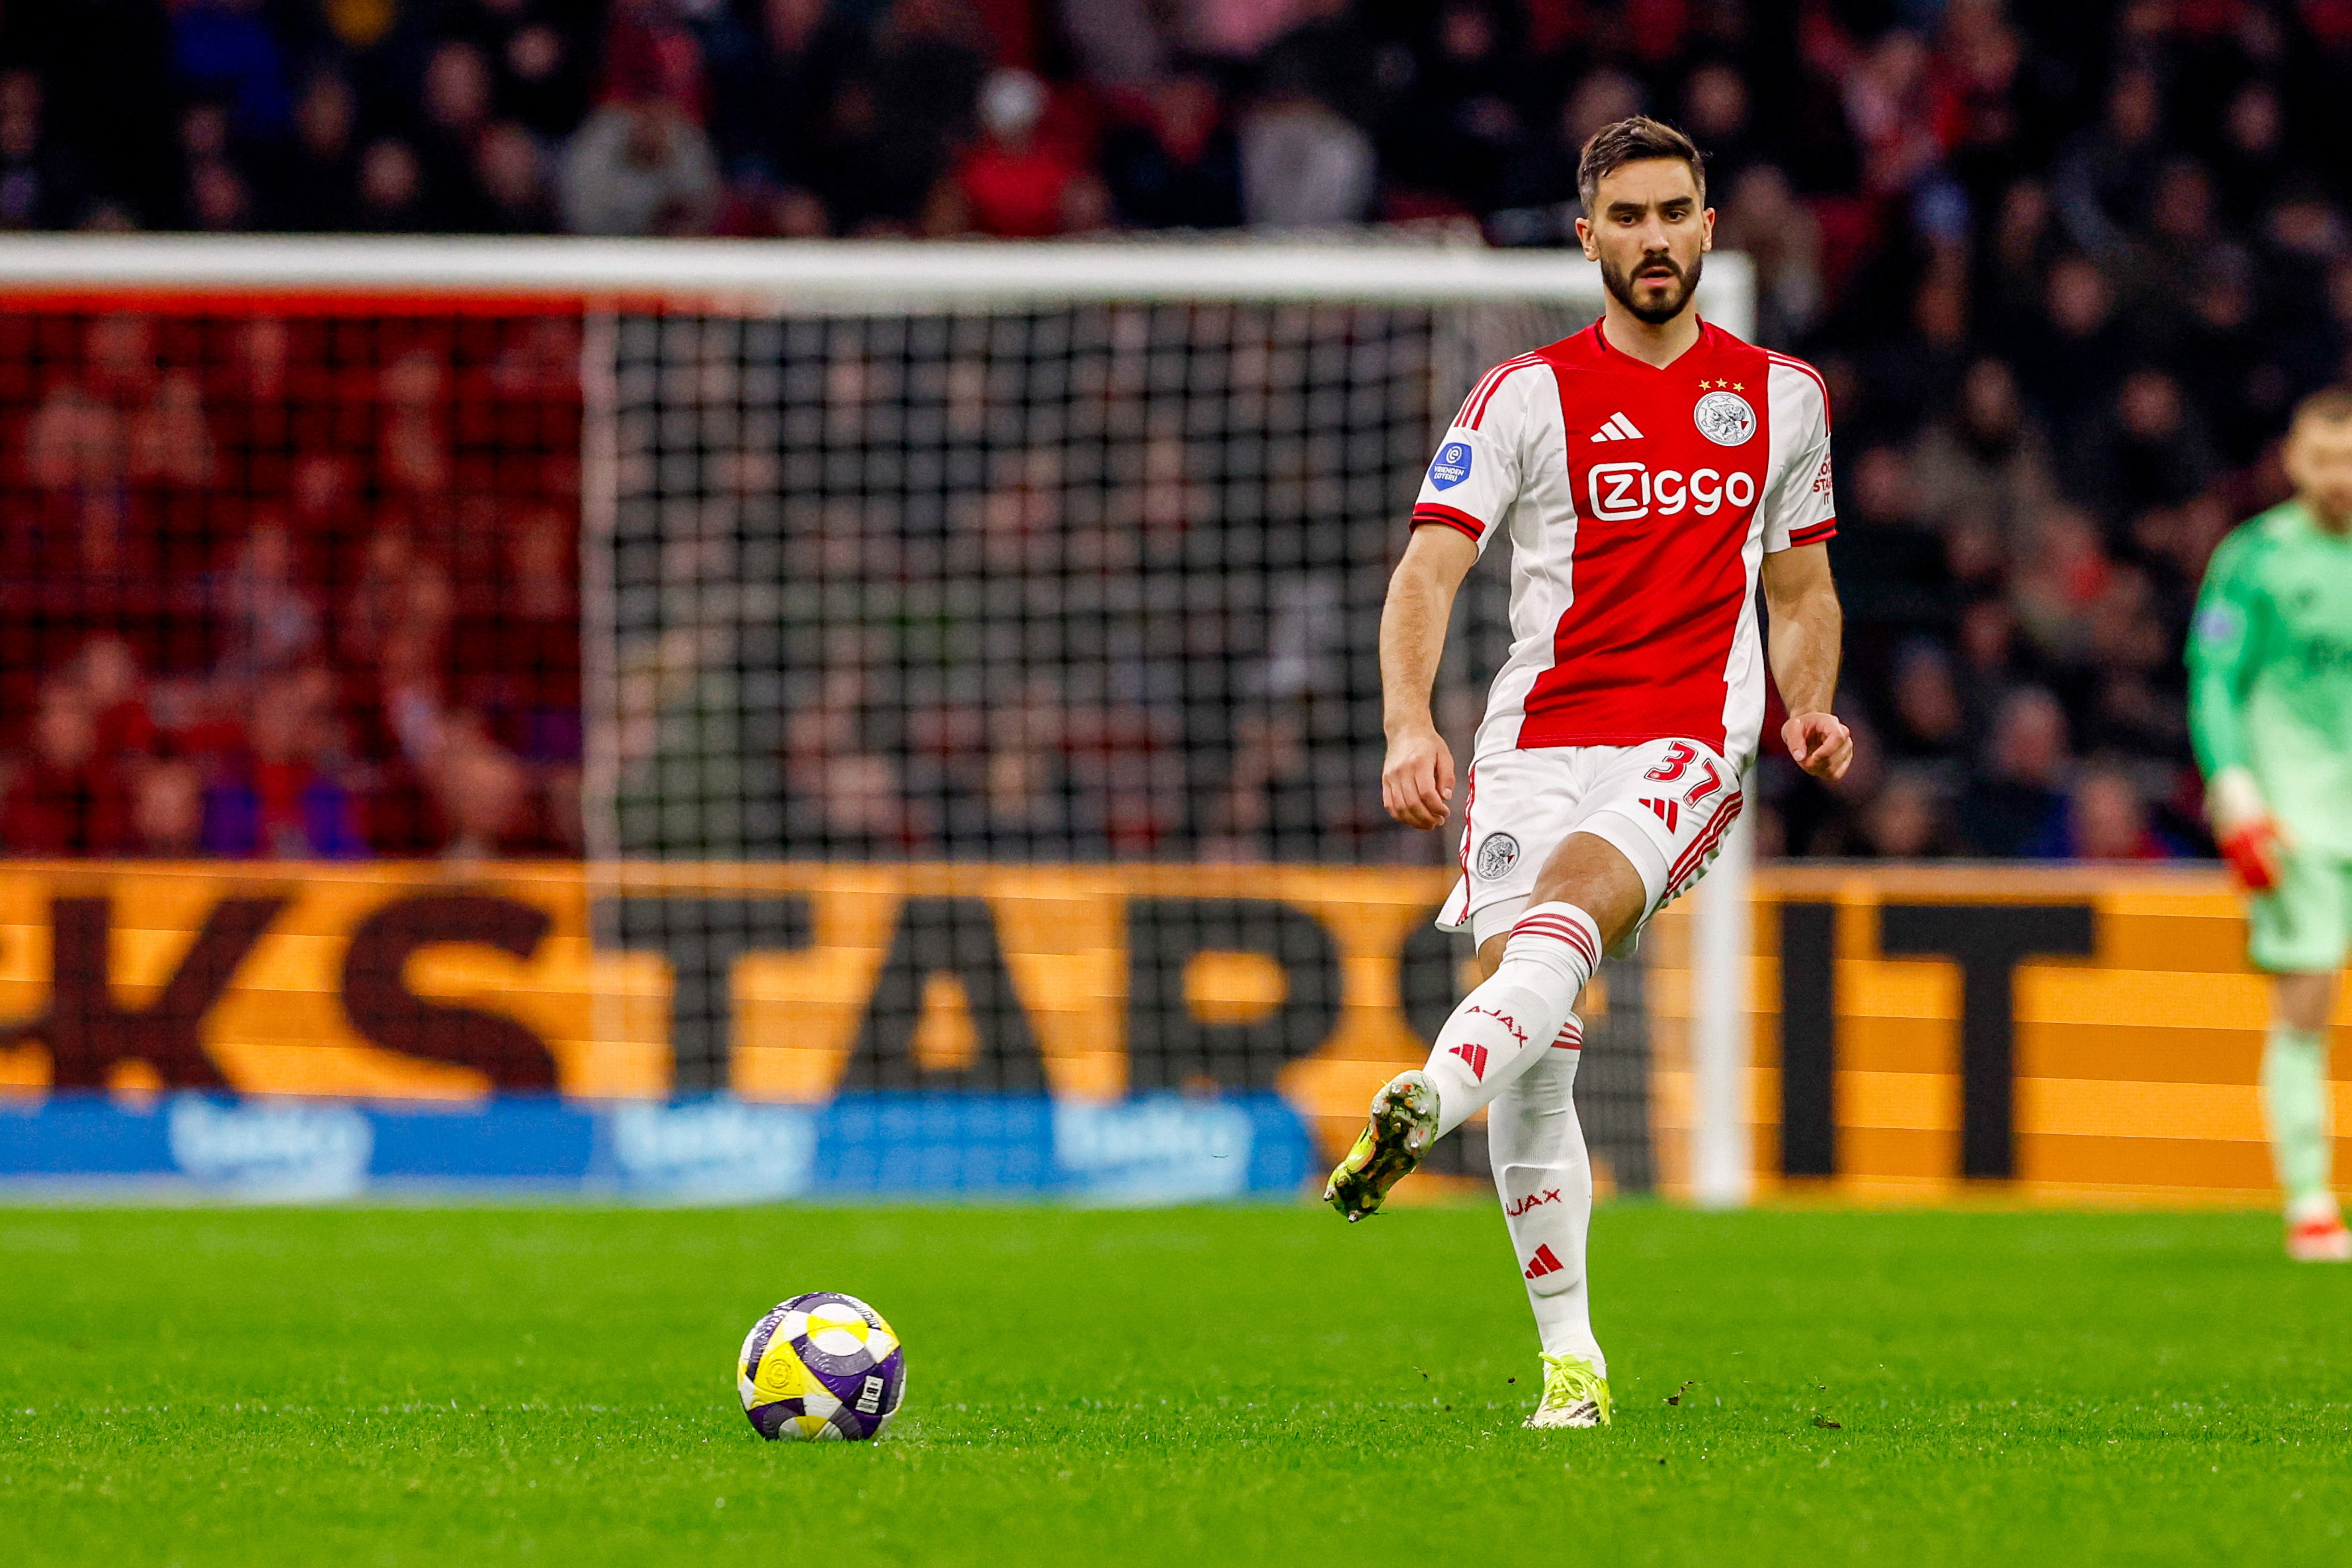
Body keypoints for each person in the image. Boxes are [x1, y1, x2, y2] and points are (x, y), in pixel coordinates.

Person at [1323, 118, 1852, 1429]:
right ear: (1586, 239)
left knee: (1563, 920)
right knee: (1541, 1047)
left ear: (1707, 228)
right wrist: (1408, 723)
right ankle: (1571, 1361)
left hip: (1683, 744)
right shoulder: (1519, 396)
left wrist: (1806, 702)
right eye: (1626, 218)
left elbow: (1798, 585)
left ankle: (1422, 1096)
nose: (1654, 237)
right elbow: (1426, 573)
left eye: (1674, 212)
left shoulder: (1778, 396)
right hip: (1526, 745)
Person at [2187, 386, 2352, 1262]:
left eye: (2351, 459)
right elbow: (2214, 680)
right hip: (2300, 818)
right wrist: (2237, 790)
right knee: (2308, 1003)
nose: (2340, 478)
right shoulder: (2254, 558)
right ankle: (2313, 1203)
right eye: (2325, 460)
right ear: (2293, 462)